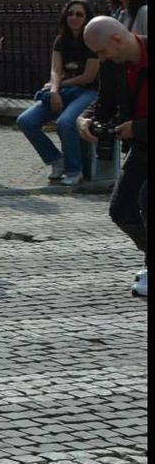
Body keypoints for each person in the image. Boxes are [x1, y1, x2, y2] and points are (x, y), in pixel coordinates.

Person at [78, 16, 147, 297]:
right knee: (120, 208)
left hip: (140, 133)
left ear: (117, 40)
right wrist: (86, 119)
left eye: (102, 51)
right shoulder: (112, 64)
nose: (100, 58)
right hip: (141, 145)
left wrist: (138, 127)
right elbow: (104, 103)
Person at [15, 0, 102, 185]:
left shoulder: (93, 41)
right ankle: (56, 160)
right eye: (70, 13)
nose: (74, 18)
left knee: (65, 122)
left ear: (87, 18)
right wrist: (54, 91)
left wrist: (60, 85)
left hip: (88, 92)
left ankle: (74, 170)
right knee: (26, 121)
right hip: (63, 89)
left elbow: (88, 76)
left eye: (79, 14)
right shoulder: (61, 40)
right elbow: (55, 70)